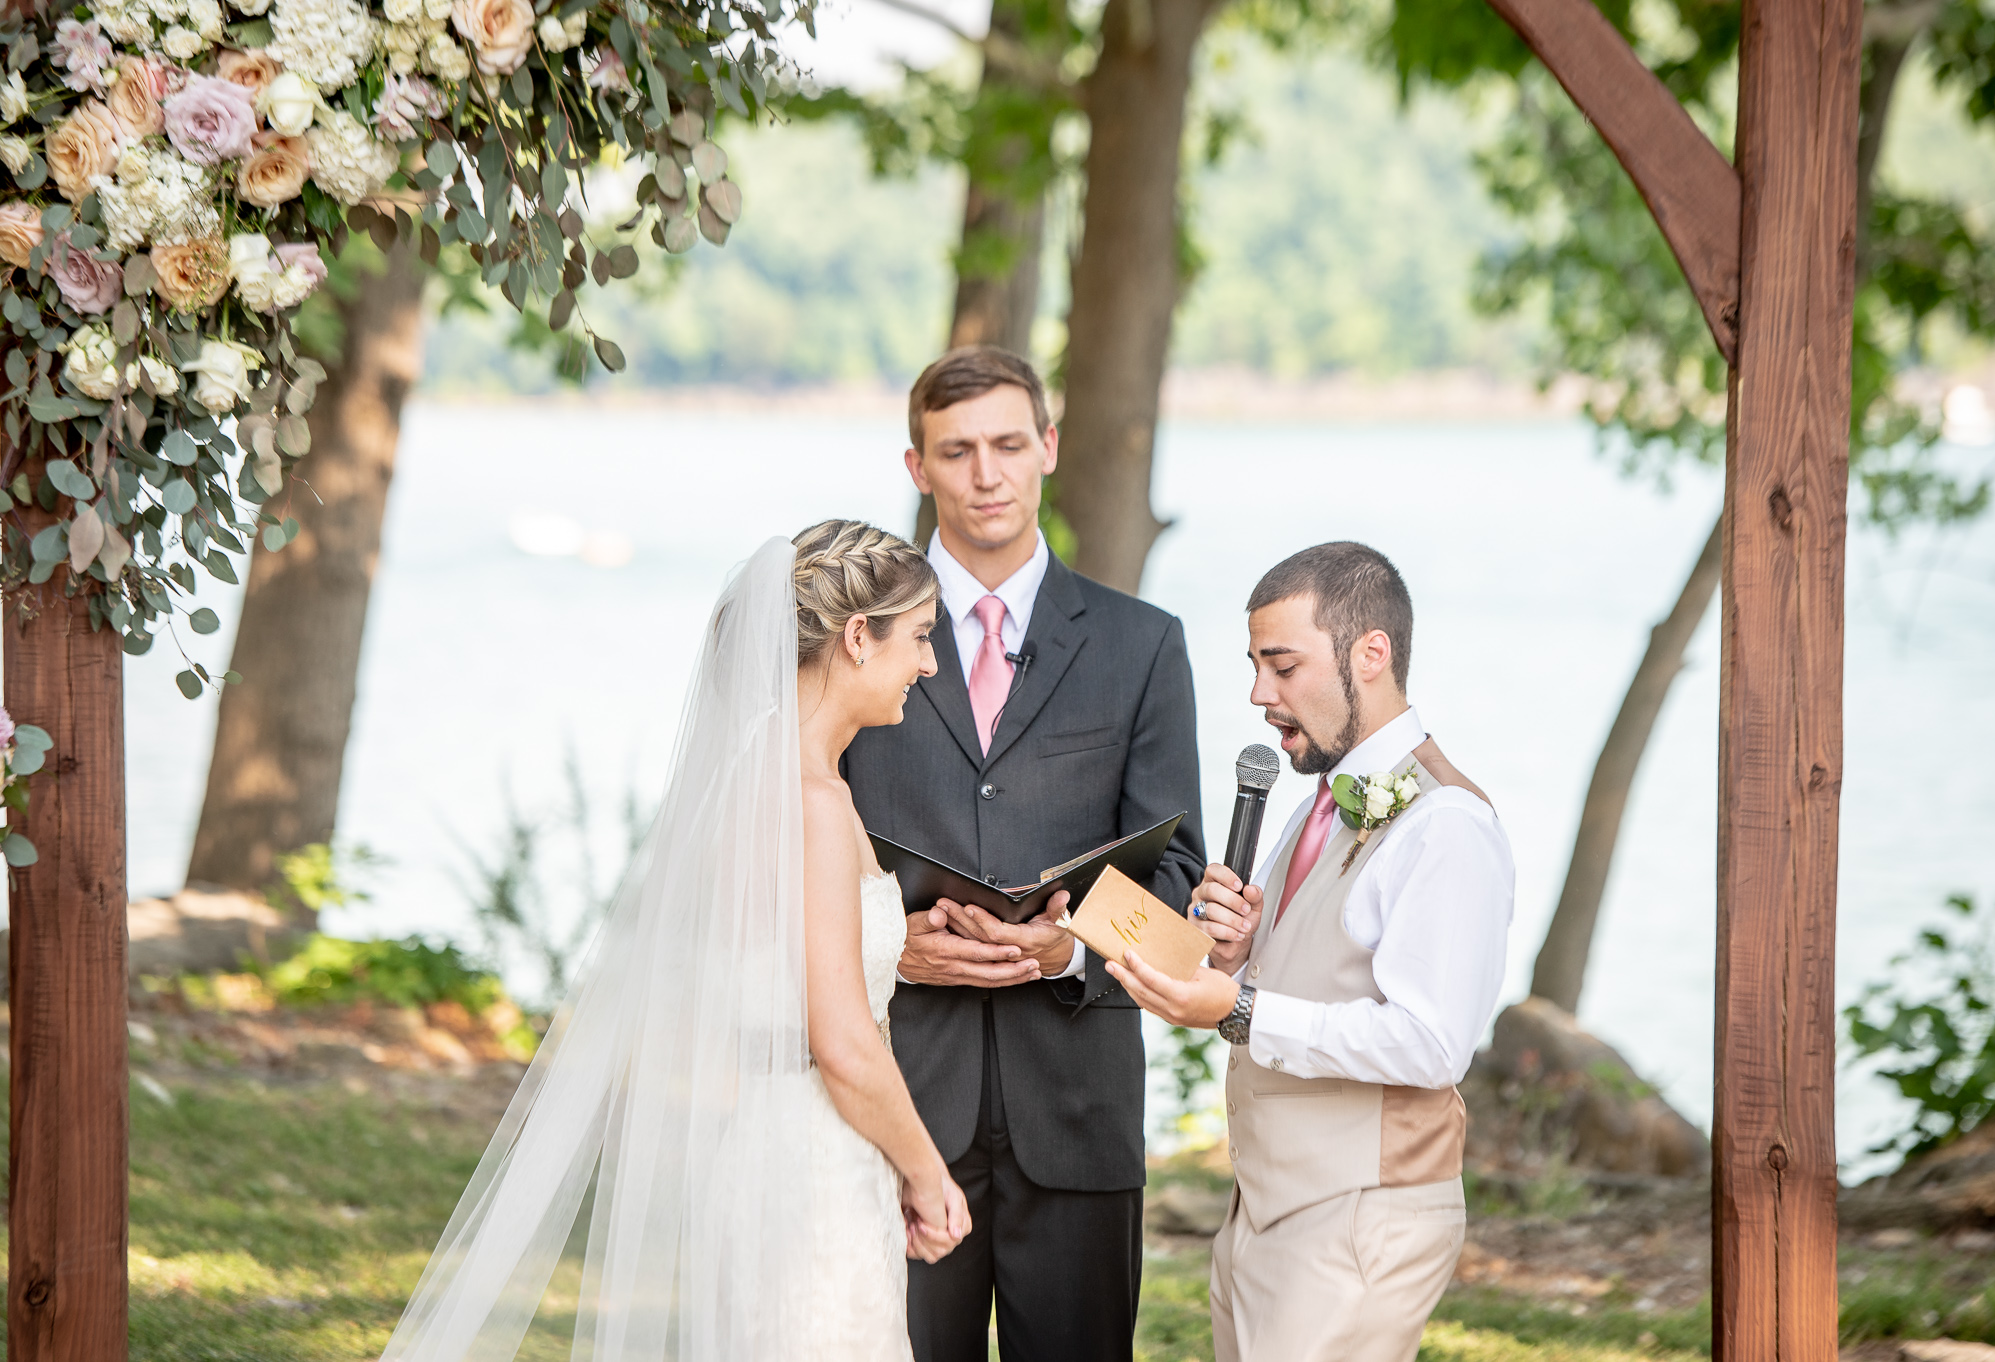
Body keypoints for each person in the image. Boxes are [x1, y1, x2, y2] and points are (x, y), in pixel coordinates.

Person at [379, 521, 970, 1362]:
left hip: (757, 1151)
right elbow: (841, 1043)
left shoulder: (749, 775)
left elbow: (766, 973)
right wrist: (928, 1173)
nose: (929, 664)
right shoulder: (812, 801)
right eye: (919, 638)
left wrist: (892, 940)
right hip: (814, 1169)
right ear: (856, 636)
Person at [842, 346, 1206, 1362]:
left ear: (1049, 448)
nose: (987, 474)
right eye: (956, 452)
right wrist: (892, 948)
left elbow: (1176, 882)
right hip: (900, 1107)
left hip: (1080, 1110)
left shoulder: (1144, 646)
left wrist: (1073, 949)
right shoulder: (859, 643)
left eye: (1009, 444)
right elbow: (797, 856)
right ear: (917, 467)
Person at [1109, 542, 1514, 1362]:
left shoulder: (1447, 826)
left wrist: (1241, 1008)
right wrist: (1230, 958)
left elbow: (1432, 1045)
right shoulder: (1314, 808)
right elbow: (1295, 979)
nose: (1261, 695)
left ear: (1372, 653)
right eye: (1256, 667)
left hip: (1359, 1219)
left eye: (1283, 666)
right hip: (1264, 1211)